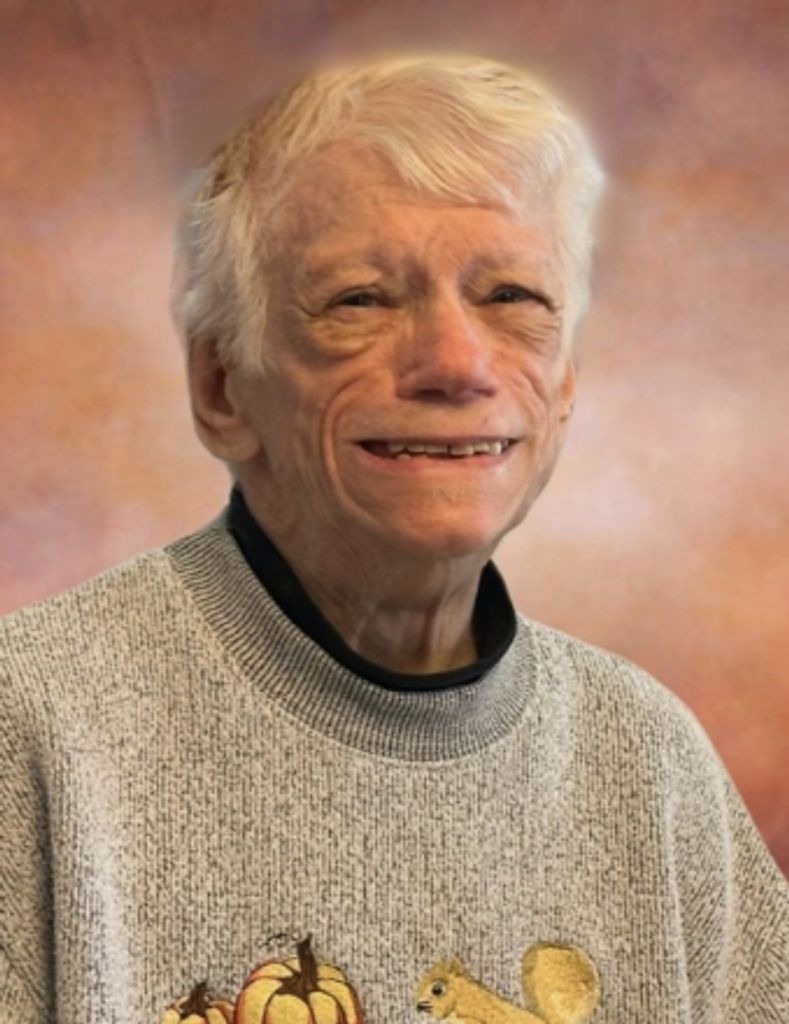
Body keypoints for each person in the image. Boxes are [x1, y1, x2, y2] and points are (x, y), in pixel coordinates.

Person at [1, 52, 787, 1024]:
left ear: (565, 385)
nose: (456, 362)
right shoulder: (29, 726)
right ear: (221, 388)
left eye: (512, 297)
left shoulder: (648, 759)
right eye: (360, 299)